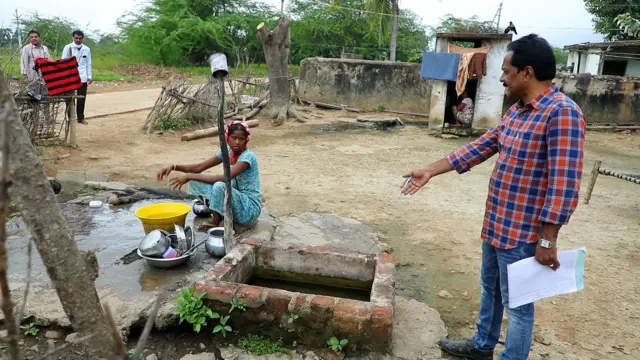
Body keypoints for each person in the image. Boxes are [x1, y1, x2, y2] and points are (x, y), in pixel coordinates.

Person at [401, 34, 585, 360]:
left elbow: (564, 184)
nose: (501, 78)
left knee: (518, 306)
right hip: (498, 223)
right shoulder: (517, 112)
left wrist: (547, 240)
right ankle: (482, 345)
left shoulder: (562, 114)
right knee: (491, 290)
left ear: (526, 73)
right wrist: (430, 169)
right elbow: (481, 146)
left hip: (525, 234)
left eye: (506, 71)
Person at [156, 121, 262, 230]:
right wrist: (174, 166)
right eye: (233, 138)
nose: (237, 142)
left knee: (219, 186)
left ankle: (216, 220)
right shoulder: (227, 151)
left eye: (241, 139)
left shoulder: (248, 157)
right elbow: (199, 167)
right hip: (233, 200)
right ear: (227, 138)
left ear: (246, 140)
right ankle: (219, 215)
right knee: (196, 179)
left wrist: (188, 176)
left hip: (249, 209)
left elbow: (225, 179)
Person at [61, 30, 92, 124]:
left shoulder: (86, 49)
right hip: (70, 76)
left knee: (81, 98)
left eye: (80, 38)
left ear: (83, 39)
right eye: (76, 38)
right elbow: (63, 62)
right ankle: (71, 118)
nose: (78, 40)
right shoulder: (68, 47)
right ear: (73, 38)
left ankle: (81, 118)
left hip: (82, 76)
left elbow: (88, 63)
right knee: (70, 98)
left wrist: (89, 76)